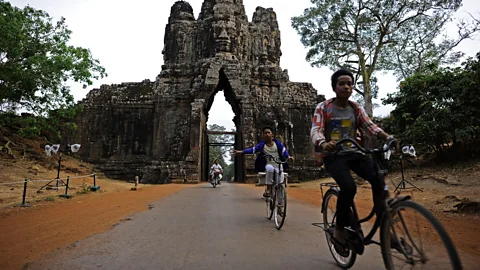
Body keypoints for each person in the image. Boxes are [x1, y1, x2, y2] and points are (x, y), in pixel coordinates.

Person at [311, 69, 395, 256]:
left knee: (378, 179)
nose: (346, 87)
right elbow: (316, 130)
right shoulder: (323, 108)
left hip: (356, 152)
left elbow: (369, 126)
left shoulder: (356, 108)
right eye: (342, 83)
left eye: (349, 83)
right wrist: (324, 143)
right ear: (334, 87)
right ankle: (340, 229)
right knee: (349, 187)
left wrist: (387, 137)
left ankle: (386, 228)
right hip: (334, 155)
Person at [232, 126, 294, 197]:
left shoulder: (278, 144)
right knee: (269, 169)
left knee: (280, 181)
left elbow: (284, 151)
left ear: (272, 134)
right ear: (263, 135)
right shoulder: (262, 145)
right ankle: (268, 189)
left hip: (278, 164)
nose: (267, 134)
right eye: (265, 133)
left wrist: (289, 157)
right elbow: (252, 150)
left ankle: (280, 202)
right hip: (269, 163)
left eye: (269, 132)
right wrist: (240, 152)